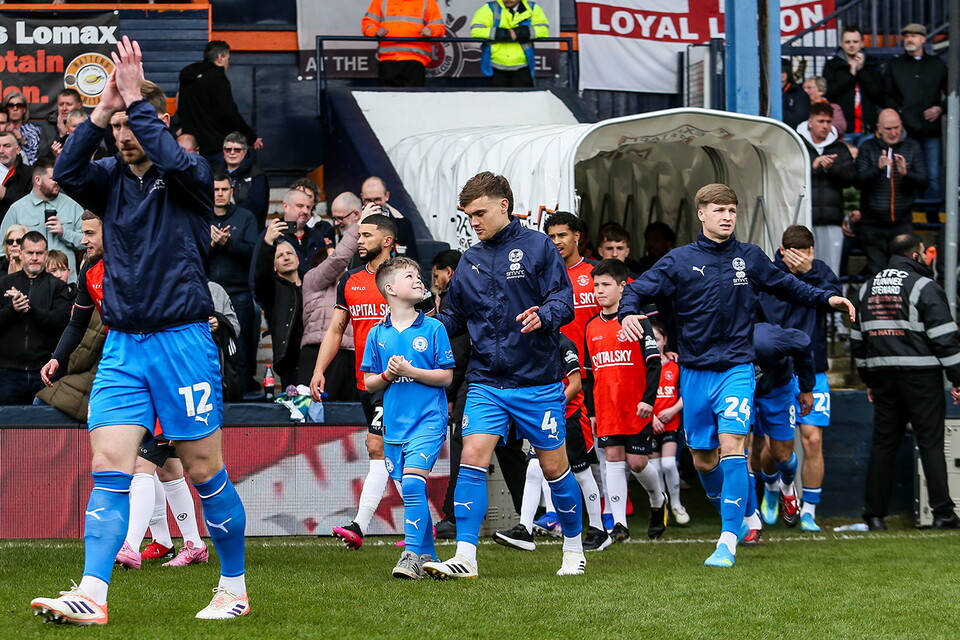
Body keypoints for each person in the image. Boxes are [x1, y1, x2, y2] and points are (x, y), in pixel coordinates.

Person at [32, 37, 249, 624]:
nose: (126, 134)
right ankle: (92, 594)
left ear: (156, 121)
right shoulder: (107, 176)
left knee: (203, 469)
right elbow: (66, 172)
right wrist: (101, 111)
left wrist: (138, 102)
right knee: (109, 466)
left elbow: (174, 159)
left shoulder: (190, 175)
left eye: (136, 122)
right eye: (121, 125)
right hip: (125, 344)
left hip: (182, 341)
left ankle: (234, 587)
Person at [618, 183, 854, 567]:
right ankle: (741, 515)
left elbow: (789, 287)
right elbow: (638, 288)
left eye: (732, 210)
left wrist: (827, 298)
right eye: (718, 210)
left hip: (737, 370)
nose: (727, 216)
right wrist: (628, 310)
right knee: (702, 460)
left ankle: (727, 540)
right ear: (702, 214)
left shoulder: (750, 257)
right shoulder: (679, 261)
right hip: (695, 375)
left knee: (734, 448)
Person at [422, 171, 586, 579]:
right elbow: (455, 318)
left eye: (479, 213)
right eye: (468, 215)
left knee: (555, 470)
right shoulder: (471, 260)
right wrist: (428, 324)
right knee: (473, 458)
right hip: (486, 382)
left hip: (538, 382)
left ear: (503, 206)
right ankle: (466, 556)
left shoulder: (539, 247)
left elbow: (564, 301)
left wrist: (544, 314)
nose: (473, 222)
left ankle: (573, 548)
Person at [851, 234, 960, 532]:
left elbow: (857, 341)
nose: (926, 258)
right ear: (915, 256)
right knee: (931, 443)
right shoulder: (924, 286)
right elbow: (945, 338)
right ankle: (942, 514)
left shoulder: (866, 288)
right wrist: (957, 377)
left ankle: (874, 516)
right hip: (921, 377)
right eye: (924, 253)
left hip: (882, 377)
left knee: (883, 444)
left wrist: (868, 379)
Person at [360, 256, 454, 579]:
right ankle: (428, 554)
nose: (418, 280)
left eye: (419, 275)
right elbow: (369, 381)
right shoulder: (377, 334)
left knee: (413, 482)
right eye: (409, 276)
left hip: (429, 420)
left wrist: (411, 371)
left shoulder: (434, 327)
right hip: (394, 426)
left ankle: (410, 555)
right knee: (411, 490)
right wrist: (387, 374)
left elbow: (446, 377)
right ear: (390, 289)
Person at [310, 214, 397, 548]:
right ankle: (423, 528)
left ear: (387, 241)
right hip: (367, 382)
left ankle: (359, 526)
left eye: (366, 235)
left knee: (376, 446)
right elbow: (336, 329)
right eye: (358, 235)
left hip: (397, 383)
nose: (359, 241)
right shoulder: (350, 280)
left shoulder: (406, 276)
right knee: (391, 454)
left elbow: (430, 326)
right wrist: (319, 370)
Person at [758, 225, 842, 532]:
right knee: (773, 446)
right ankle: (770, 488)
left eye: (808, 253)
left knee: (813, 439)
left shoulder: (821, 272)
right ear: (782, 252)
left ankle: (809, 510)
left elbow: (837, 299)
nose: (803, 259)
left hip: (813, 370)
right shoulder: (767, 275)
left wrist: (811, 272)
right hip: (777, 371)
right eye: (797, 254)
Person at [585, 259, 665, 542]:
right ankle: (620, 524)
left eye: (606, 285)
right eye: (596, 285)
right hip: (607, 408)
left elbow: (655, 364)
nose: (599, 291)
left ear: (623, 287)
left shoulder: (637, 322)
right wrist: (592, 412)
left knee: (638, 463)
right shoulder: (591, 326)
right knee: (613, 459)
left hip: (636, 406)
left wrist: (648, 400)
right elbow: (588, 375)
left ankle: (658, 499)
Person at [749, 322, 815, 538]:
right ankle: (751, 518)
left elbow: (803, 342)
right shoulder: (719, 337)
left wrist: (806, 387)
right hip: (742, 389)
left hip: (778, 391)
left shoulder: (767, 340)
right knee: (745, 451)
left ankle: (786, 486)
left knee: (781, 454)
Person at [0, 231, 72, 404]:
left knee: (45, 429)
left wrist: (30, 310)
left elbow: (62, 322)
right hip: (8, 373)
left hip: (45, 372)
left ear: (46, 255)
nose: (34, 258)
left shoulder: (58, 287)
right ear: (21, 254)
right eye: (30, 253)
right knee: (8, 428)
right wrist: (13, 309)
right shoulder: (4, 283)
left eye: (39, 253)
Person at [855, 109, 928, 278]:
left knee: (905, 274)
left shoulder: (912, 146)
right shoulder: (868, 147)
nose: (894, 132)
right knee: (877, 274)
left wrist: (906, 173)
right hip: (872, 224)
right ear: (878, 128)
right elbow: (857, 181)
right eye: (888, 129)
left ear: (902, 125)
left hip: (902, 223)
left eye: (897, 127)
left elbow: (924, 181)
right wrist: (877, 169)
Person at [301, 193, 361, 396]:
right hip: (318, 353)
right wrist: (358, 225)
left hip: (350, 354)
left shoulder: (350, 283)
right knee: (317, 419)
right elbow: (339, 259)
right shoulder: (312, 279)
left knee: (351, 420)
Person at [884, 24, 946, 204]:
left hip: (931, 130)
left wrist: (939, 108)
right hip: (904, 131)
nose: (909, 39)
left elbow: (952, 93)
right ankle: (910, 217)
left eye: (914, 36)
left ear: (923, 40)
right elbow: (887, 95)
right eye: (907, 36)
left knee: (932, 174)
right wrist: (898, 115)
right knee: (904, 173)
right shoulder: (895, 65)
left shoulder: (937, 64)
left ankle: (932, 221)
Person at [207, 172, 258, 393]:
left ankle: (243, 392)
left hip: (239, 292)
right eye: (216, 189)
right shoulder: (200, 217)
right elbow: (187, 257)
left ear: (231, 191)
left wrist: (228, 243)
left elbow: (253, 253)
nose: (219, 194)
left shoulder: (246, 217)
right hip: (206, 292)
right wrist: (209, 244)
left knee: (242, 345)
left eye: (224, 189)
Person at [1, 158, 85, 283]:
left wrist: (64, 233)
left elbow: (88, 241)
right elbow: (2, 250)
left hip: (65, 283)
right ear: (38, 180)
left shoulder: (73, 205)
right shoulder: (17, 209)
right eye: (53, 178)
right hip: (29, 284)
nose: (58, 182)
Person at [176, 40, 262, 161]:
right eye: (228, 59)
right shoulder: (217, 77)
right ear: (220, 57)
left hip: (193, 145)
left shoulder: (187, 78)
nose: (228, 64)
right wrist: (250, 136)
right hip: (215, 145)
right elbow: (228, 112)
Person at [797, 102, 856, 277]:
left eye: (828, 122)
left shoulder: (840, 148)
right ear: (810, 121)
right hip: (803, 218)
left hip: (832, 218)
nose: (825, 126)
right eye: (821, 121)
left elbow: (851, 178)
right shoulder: (798, 144)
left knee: (831, 272)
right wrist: (813, 166)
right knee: (803, 272)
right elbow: (788, 175)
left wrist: (831, 168)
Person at [648, 319, 688, 525]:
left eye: (657, 339)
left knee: (669, 464)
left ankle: (676, 504)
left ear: (665, 341)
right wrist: (652, 417)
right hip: (651, 424)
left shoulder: (675, 365)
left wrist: (672, 410)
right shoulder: (643, 367)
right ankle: (661, 505)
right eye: (650, 339)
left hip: (671, 423)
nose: (654, 343)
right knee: (655, 468)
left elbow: (686, 393)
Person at [823, 25, 885, 149]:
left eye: (855, 42)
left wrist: (861, 70)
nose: (851, 45)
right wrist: (851, 73)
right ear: (841, 44)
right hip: (843, 131)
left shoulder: (871, 65)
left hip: (867, 129)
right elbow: (829, 93)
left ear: (862, 43)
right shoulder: (833, 65)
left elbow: (878, 94)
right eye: (847, 42)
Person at [254, 237, 304, 388]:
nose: (286, 257)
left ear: (297, 259)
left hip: (315, 360)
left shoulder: (312, 283)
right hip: (289, 363)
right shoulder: (271, 290)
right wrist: (267, 244)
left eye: (289, 253)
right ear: (274, 266)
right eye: (279, 256)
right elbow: (262, 275)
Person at [361, 0, 446, 87]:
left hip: (415, 60)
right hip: (388, 59)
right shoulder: (380, 1)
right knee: (387, 98)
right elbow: (368, 23)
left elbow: (439, 27)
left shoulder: (428, 2)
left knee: (412, 98)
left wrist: (431, 30)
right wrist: (375, 31)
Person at [470, 0, 550, 87]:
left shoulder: (532, 7)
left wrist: (519, 32)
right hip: (495, 67)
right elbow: (476, 31)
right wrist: (505, 34)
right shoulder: (490, 7)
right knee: (497, 100)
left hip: (522, 67)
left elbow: (544, 30)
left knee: (523, 100)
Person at [217, 131, 269, 229]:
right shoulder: (215, 174)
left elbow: (256, 205)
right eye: (228, 150)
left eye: (237, 150)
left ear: (244, 152)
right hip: (218, 228)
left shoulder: (257, 175)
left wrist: (229, 215)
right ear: (223, 152)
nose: (232, 153)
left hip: (249, 230)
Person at [360, 176, 419, 259]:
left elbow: (413, 258)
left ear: (386, 196)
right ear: (362, 198)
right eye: (368, 200)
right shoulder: (354, 222)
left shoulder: (403, 223)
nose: (373, 204)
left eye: (377, 199)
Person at [38, 89, 83, 159]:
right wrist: (61, 136)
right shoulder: (48, 125)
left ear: (79, 106)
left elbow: (100, 152)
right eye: (61, 104)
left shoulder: (88, 124)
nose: (64, 108)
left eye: (69, 104)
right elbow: (40, 156)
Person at [0, 131, 34, 221]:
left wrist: (5, 194)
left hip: (16, 229)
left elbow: (31, 208)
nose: (1, 151)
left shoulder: (29, 174)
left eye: (6, 146)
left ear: (18, 149)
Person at [2, 91, 42, 164]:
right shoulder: (2, 127)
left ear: (24, 110)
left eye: (19, 106)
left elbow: (33, 157)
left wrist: (22, 141)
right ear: (6, 109)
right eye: (11, 106)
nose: (15, 109)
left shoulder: (32, 130)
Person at [781, 59, 811, 131]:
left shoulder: (799, 95)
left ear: (783, 76)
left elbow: (798, 122)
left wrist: (775, 109)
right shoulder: (761, 93)